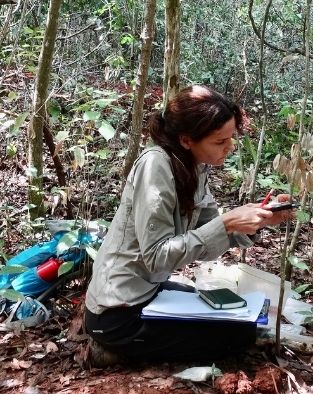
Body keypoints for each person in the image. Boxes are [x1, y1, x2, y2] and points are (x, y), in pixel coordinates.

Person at [84, 85, 293, 365]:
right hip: (118, 310)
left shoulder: (195, 166)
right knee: (239, 335)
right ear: (186, 139)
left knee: (231, 310)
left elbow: (209, 238)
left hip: (150, 290)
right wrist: (227, 221)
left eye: (230, 139)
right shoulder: (156, 166)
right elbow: (157, 256)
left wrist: (260, 219)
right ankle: (108, 350)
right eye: (219, 142)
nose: (229, 148)